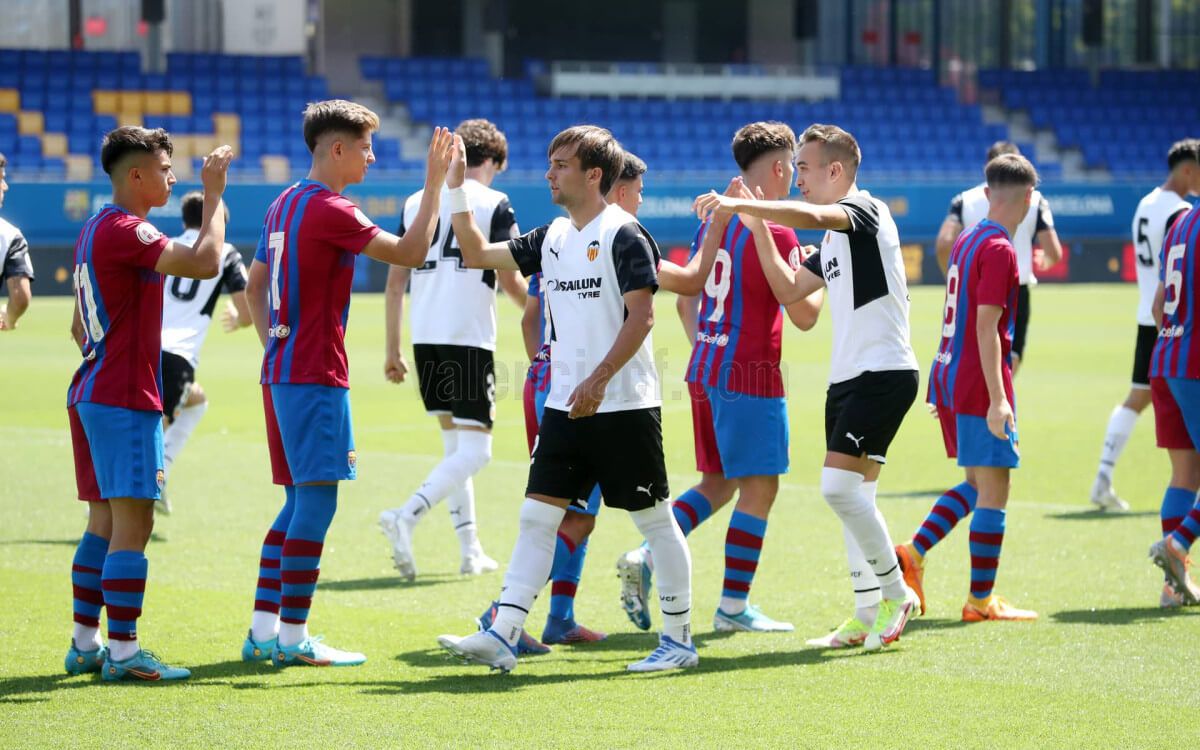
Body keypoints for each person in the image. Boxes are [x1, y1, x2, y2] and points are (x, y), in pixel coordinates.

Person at [437, 125, 698, 673]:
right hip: (563, 408)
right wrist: (455, 187)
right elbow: (478, 252)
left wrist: (599, 378)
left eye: (560, 164)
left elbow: (643, 316)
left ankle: (678, 641)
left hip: (624, 406)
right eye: (550, 162)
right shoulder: (552, 235)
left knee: (653, 521)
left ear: (593, 174)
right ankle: (505, 632)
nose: (549, 172)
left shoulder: (625, 233)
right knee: (537, 519)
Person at [239, 101, 454, 668]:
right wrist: (433, 185)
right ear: (337, 149)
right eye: (364, 147)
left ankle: (264, 631)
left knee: (294, 504)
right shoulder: (333, 209)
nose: (372, 155)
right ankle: (292, 638)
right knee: (317, 504)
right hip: (313, 374)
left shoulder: (282, 202)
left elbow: (254, 288)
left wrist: (273, 343)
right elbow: (409, 253)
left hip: (283, 370)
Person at [694, 123, 920, 652]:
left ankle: (896, 591)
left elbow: (816, 214)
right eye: (795, 169)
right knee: (855, 496)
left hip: (883, 373)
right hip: (847, 378)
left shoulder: (866, 212)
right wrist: (753, 228)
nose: (797, 179)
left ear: (836, 171)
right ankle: (866, 612)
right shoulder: (830, 239)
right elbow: (793, 291)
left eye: (805, 168)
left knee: (838, 490)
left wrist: (756, 207)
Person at [617, 122, 822, 634]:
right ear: (778, 168)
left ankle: (649, 552)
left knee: (717, 483)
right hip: (750, 371)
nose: (794, 176)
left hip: (706, 366)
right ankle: (731, 605)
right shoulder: (776, 228)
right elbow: (804, 314)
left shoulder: (715, 221)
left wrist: (709, 348)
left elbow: (687, 298)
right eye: (793, 167)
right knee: (760, 489)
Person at [65, 127, 232, 681]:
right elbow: (207, 262)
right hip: (122, 395)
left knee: (102, 523)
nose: (173, 176)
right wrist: (214, 195)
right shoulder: (127, 229)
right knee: (133, 527)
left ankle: (85, 644)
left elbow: (75, 326)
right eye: (164, 168)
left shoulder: (93, 227)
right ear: (135, 175)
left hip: (90, 388)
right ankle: (124, 653)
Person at [896, 153, 1040, 623]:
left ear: (985, 193)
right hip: (979, 380)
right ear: (1029, 198)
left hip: (953, 373)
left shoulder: (967, 239)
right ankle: (980, 601)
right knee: (995, 486)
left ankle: (913, 554)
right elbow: (985, 329)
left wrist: (947, 384)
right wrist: (999, 399)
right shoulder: (1000, 248)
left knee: (976, 484)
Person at [379, 119, 526, 580]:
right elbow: (509, 276)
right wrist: (539, 311)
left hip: (426, 334)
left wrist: (392, 346)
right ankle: (406, 514)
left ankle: (470, 550)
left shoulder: (413, 201)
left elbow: (395, 279)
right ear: (494, 161)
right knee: (477, 452)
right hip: (467, 334)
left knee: (454, 447)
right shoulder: (493, 202)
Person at [1089, 140, 1200, 513]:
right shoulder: (1184, 212)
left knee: (1139, 397)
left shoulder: (1146, 203)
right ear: (1188, 169)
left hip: (1149, 314)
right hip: (1178, 319)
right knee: (1162, 402)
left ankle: (1103, 475)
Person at [157, 192, 252, 514]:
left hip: (144, 349)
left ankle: (160, 474)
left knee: (196, 402)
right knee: (150, 435)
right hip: (177, 356)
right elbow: (249, 309)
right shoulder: (224, 252)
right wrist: (240, 321)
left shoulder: (164, 245)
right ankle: (107, 502)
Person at [935, 142, 1062, 375]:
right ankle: (997, 402)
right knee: (1006, 361)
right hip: (1017, 287)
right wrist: (1046, 260)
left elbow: (944, 243)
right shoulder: (1033, 198)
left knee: (971, 354)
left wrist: (953, 276)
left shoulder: (964, 199)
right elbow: (1054, 252)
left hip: (971, 286)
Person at [1148, 199, 1200, 605]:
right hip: (1196, 361)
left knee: (1184, 474)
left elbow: (1157, 304)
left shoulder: (1180, 224)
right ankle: (1178, 543)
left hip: (1166, 356)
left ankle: (1172, 588)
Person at [0, 152, 33, 330]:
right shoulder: (8, 235)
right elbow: (20, 297)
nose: (5, 187)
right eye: (0, 179)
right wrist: (9, 318)